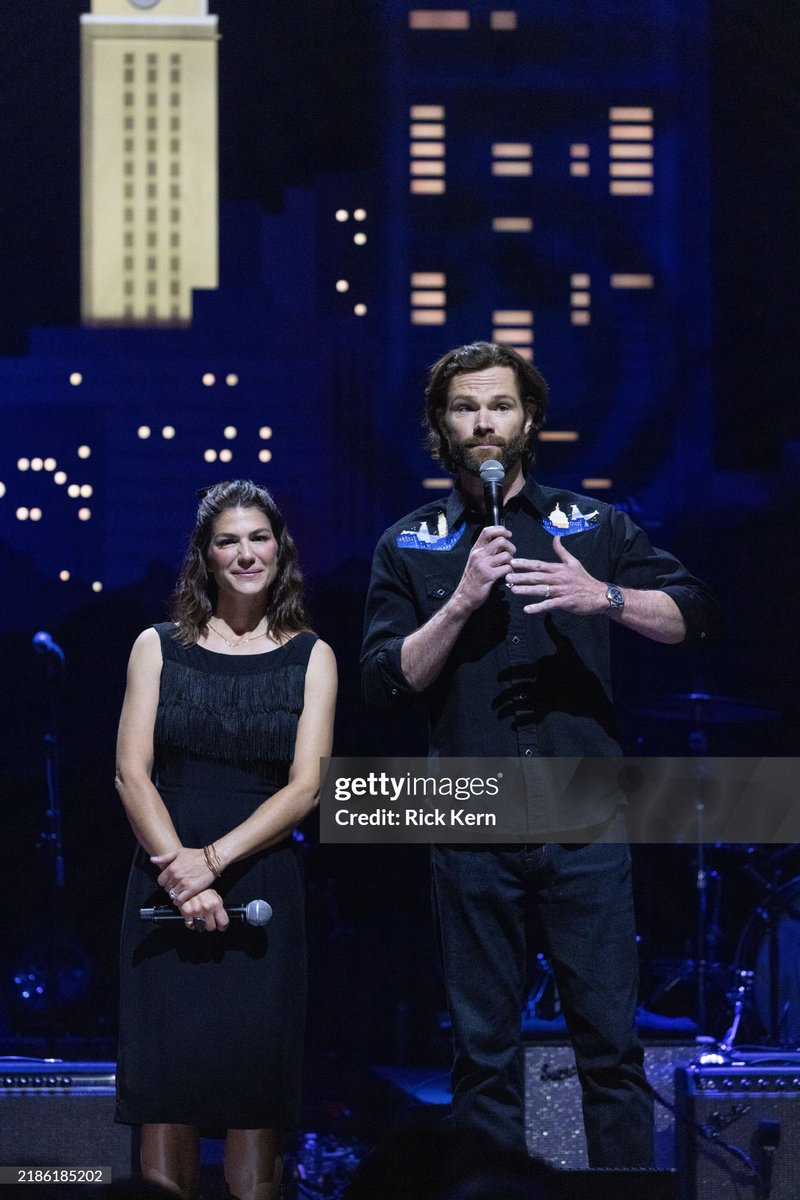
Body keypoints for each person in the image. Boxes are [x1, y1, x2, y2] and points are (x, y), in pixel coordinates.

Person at [360, 342, 721, 1166]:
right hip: (468, 816)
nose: (484, 422)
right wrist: (460, 600)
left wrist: (607, 597)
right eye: (465, 407)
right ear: (440, 425)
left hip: (583, 810)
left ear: (530, 421)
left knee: (610, 1047)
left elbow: (698, 614)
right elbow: (383, 683)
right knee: (483, 1055)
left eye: (500, 405)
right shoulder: (408, 543)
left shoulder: (592, 525)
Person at [114, 480, 337, 1200]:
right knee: (166, 1090)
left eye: (258, 538)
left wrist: (211, 863)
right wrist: (181, 876)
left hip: (260, 884)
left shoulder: (312, 656)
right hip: (163, 878)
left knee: (254, 1096)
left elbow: (306, 788)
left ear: (280, 548)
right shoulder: (157, 647)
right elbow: (130, 774)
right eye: (228, 541)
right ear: (204, 557)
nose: (246, 554)